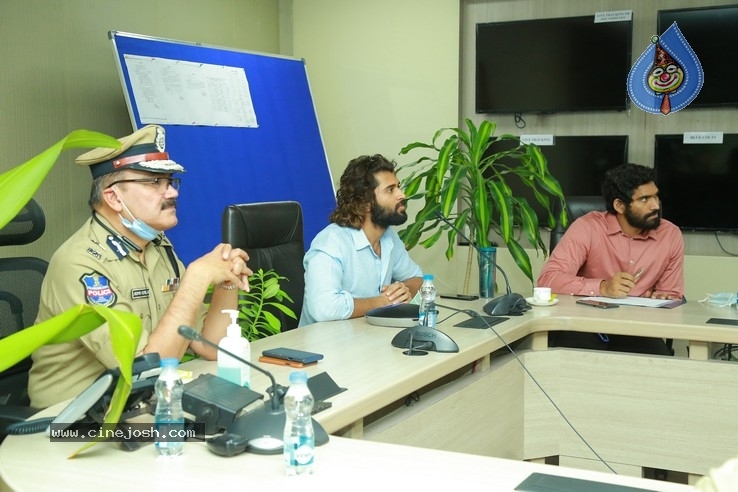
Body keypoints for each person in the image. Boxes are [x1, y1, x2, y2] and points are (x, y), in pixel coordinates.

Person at [28, 125, 252, 408]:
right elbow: (143, 367)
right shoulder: (81, 264)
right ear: (113, 198)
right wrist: (197, 277)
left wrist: (226, 280)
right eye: (153, 183)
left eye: (169, 181)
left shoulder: (159, 247)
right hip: (71, 419)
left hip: (139, 403)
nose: (172, 192)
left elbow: (211, 346)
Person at [537, 163, 684, 355]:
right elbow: (547, 279)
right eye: (644, 199)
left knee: (662, 368)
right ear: (619, 205)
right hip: (585, 325)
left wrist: (665, 298)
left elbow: (671, 294)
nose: (656, 205)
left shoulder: (670, 235)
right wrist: (603, 288)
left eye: (656, 196)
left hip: (637, 329)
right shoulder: (588, 227)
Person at [299, 154, 423, 326]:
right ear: (366, 203)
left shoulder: (389, 237)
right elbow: (324, 307)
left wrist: (403, 292)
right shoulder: (331, 242)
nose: (402, 194)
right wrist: (382, 302)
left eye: (398, 187)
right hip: (323, 347)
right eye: (390, 189)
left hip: (367, 339)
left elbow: (417, 277)